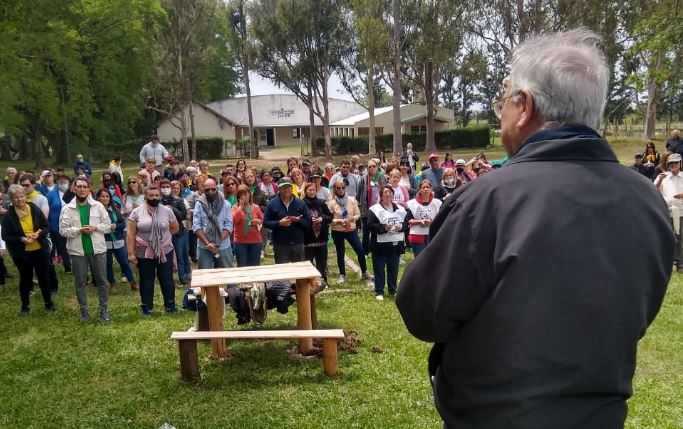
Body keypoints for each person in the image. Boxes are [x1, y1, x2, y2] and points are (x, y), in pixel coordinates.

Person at [396, 29, 674, 429]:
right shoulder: (646, 199)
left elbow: (423, 314)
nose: (502, 113)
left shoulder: (488, 199)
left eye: (502, 102)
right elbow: (638, 311)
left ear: (523, 105)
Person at [59, 178, 112, 322]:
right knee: (80, 282)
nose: (82, 189)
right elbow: (63, 230)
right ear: (74, 189)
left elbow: (108, 225)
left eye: (84, 187)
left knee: (102, 281)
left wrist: (96, 228)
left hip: (98, 249)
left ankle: (104, 310)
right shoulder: (67, 209)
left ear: (89, 189)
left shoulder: (98, 206)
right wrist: (78, 230)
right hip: (77, 252)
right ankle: (84, 311)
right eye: (79, 187)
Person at [1, 184, 55, 316]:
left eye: (21, 196)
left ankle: (48, 303)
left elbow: (46, 226)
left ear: (25, 196)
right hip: (22, 253)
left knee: (44, 277)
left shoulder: (34, 208)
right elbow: (5, 236)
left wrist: (38, 234)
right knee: (25, 279)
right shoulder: (9, 215)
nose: (20, 199)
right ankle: (25, 307)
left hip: (39, 249)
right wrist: (21, 238)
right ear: (12, 200)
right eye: (16, 198)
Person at [127, 185, 179, 315]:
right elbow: (130, 234)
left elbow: (175, 227)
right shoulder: (136, 212)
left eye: (156, 195)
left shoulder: (167, 211)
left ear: (160, 196)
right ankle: (147, 307)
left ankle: (170, 305)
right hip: (144, 252)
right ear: (145, 197)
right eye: (151, 195)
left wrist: (162, 241)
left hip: (164, 250)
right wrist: (131, 253)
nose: (154, 198)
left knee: (166, 279)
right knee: (146, 280)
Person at [328, 180, 372, 283]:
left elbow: (357, 214)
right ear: (334, 189)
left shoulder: (351, 200)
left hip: (351, 229)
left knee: (360, 250)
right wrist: (340, 221)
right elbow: (330, 220)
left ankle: (365, 271)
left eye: (343, 187)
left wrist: (351, 219)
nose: (341, 190)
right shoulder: (332, 203)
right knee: (340, 252)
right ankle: (342, 274)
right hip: (338, 230)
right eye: (338, 188)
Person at [367, 186, 406, 300]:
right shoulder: (374, 209)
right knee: (379, 268)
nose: (388, 194)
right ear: (381, 195)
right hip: (380, 245)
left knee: (393, 268)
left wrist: (401, 227)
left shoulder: (400, 209)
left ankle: (393, 289)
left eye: (390, 192)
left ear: (393, 195)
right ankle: (379, 291)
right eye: (385, 192)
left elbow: (405, 224)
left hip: (395, 244)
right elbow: (370, 224)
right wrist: (384, 227)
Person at [95, 189, 137, 292]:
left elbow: (123, 224)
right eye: (103, 196)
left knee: (124, 262)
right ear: (98, 198)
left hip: (118, 241)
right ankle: (112, 283)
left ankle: (133, 282)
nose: (105, 198)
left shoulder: (114, 210)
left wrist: (116, 226)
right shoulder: (95, 211)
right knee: (108, 264)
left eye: (107, 196)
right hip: (104, 242)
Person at [263, 178, 310, 263]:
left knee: (299, 271)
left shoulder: (301, 203)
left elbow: (307, 223)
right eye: (283, 187)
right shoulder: (272, 204)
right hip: (280, 243)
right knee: (283, 271)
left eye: (288, 187)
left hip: (297, 243)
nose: (286, 190)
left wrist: (298, 220)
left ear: (292, 188)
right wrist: (279, 223)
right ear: (279, 189)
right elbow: (265, 223)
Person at [193, 177, 234, 269]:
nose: (210, 192)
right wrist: (208, 243)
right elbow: (196, 226)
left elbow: (229, 225)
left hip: (223, 245)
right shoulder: (199, 204)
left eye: (213, 189)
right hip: (204, 246)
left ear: (217, 188)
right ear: (203, 189)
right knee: (205, 278)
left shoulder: (226, 204)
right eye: (207, 190)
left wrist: (217, 242)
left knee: (228, 276)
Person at [657, 152, 683, 271]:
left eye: (675, 163)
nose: (673, 165)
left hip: (681, 211)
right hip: (666, 211)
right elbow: (653, 190)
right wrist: (659, 180)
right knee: (665, 237)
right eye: (671, 163)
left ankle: (680, 263)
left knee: (680, 238)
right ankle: (666, 262)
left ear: (680, 163)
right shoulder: (663, 176)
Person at [302, 183, 332, 284]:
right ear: (305, 191)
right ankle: (310, 282)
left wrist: (322, 218)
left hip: (321, 238)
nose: (311, 192)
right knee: (308, 262)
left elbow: (330, 217)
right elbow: (300, 217)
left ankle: (323, 281)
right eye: (309, 190)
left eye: (313, 190)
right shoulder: (302, 203)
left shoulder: (321, 203)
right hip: (308, 238)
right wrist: (310, 219)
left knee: (322, 261)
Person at [160, 179, 188, 285]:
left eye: (167, 187)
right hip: (163, 233)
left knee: (181, 255)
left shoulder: (178, 200)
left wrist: (173, 209)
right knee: (166, 257)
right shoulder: (157, 201)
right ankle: (167, 278)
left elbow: (183, 215)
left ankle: (183, 277)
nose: (165, 189)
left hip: (178, 231)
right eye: (163, 187)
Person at [47, 174, 75, 273]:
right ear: (56, 181)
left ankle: (77, 264)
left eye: (64, 179)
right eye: (60, 180)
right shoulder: (51, 194)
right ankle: (68, 267)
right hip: (57, 226)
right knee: (63, 247)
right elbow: (47, 210)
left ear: (69, 181)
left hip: (74, 224)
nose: (62, 181)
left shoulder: (74, 192)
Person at [406, 180, 442, 257]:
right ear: (419, 190)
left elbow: (441, 219)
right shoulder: (412, 203)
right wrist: (420, 221)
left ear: (431, 189)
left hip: (433, 235)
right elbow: (408, 221)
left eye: (427, 187)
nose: (425, 189)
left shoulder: (438, 203)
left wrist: (433, 222)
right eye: (423, 187)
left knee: (432, 259)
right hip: (417, 235)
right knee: (420, 259)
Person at [357, 159, 385, 255]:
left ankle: (376, 248)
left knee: (378, 229)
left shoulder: (381, 177)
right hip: (366, 209)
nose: (372, 168)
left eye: (374, 166)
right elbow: (359, 193)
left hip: (379, 209)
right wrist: (359, 207)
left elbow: (385, 190)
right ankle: (365, 251)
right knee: (366, 231)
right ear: (367, 168)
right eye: (370, 166)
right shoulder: (363, 178)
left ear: (377, 167)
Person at [231, 184, 264, 267]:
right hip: (240, 242)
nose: (243, 197)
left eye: (245, 194)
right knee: (242, 266)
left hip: (255, 241)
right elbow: (234, 220)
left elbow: (263, 221)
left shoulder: (256, 207)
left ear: (249, 194)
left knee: (255, 266)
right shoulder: (235, 208)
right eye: (240, 195)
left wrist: (258, 221)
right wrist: (240, 207)